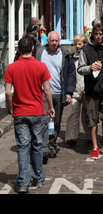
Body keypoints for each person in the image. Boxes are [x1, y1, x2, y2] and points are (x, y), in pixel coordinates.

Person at [4, 37, 55, 193]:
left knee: (22, 147)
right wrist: (51, 107)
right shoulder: (41, 66)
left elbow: (7, 92)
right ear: (33, 49)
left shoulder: (12, 67)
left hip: (20, 112)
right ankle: (38, 177)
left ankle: (23, 182)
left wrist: (10, 107)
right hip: (37, 111)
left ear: (18, 50)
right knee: (37, 146)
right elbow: (46, 89)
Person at [77, 23, 103, 160]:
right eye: (96, 34)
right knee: (92, 120)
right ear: (93, 34)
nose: (98, 36)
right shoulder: (86, 50)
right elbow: (80, 69)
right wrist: (90, 68)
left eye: (101, 34)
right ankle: (95, 146)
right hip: (91, 90)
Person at [36, 31, 76, 160]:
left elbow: (71, 74)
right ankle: (44, 147)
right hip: (42, 93)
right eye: (52, 41)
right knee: (45, 121)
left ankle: (52, 143)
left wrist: (69, 92)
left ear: (60, 41)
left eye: (56, 41)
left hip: (59, 93)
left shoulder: (65, 55)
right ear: (48, 41)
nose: (54, 43)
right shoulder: (40, 53)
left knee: (56, 122)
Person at [65, 34, 90, 145]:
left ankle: (90, 136)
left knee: (87, 114)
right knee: (73, 113)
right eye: (76, 44)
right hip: (75, 90)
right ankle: (71, 137)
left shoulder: (88, 56)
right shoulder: (71, 57)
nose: (77, 46)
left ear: (85, 44)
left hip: (86, 89)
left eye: (79, 44)